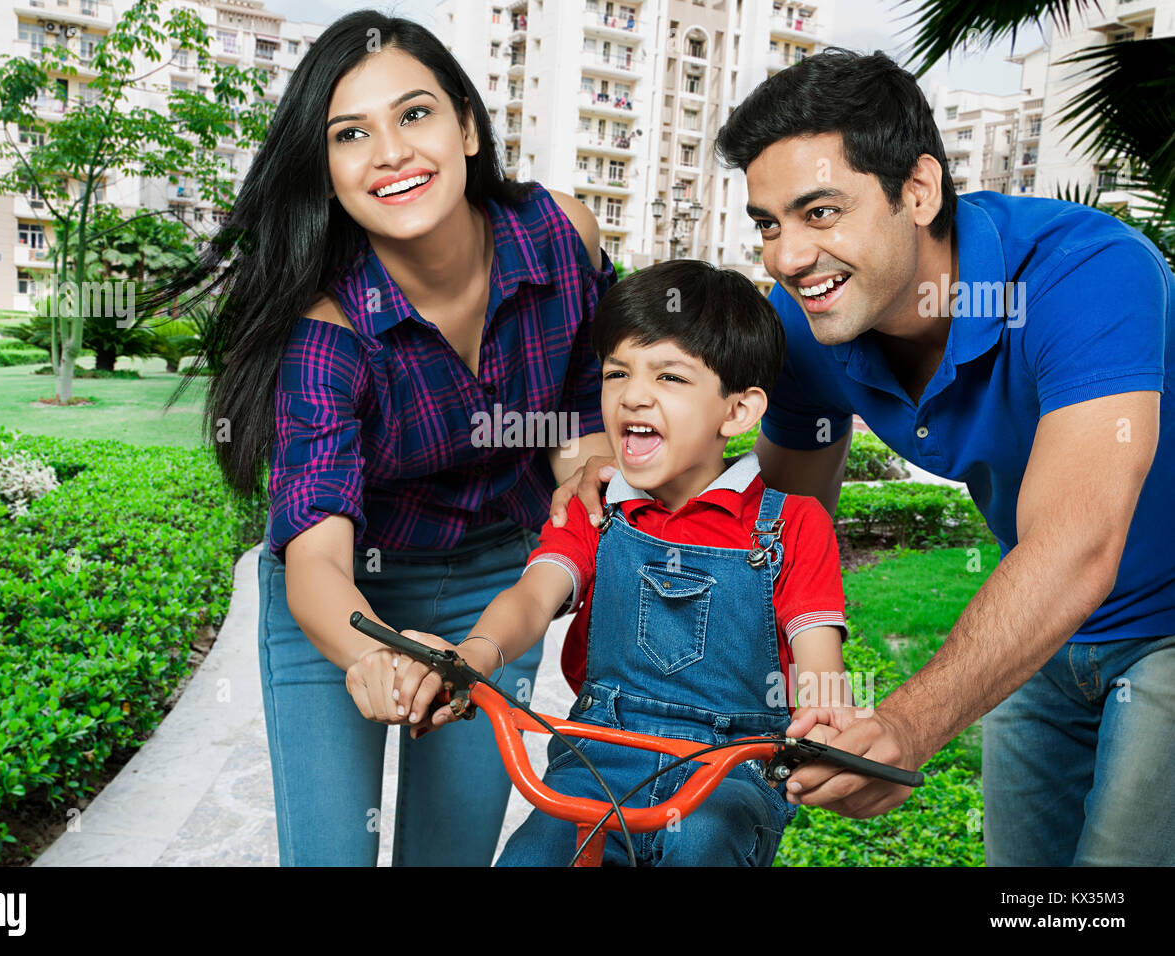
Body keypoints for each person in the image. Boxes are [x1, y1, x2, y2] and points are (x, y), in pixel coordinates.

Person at [558, 48, 1174, 865]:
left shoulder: (1083, 273)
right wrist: (623, 458)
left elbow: (1079, 541)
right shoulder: (811, 323)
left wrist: (906, 723)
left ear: (917, 191)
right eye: (769, 224)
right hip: (1042, 633)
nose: (786, 257)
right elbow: (758, 543)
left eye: (820, 213)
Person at [147, 12, 616, 866]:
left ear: (467, 126)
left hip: (493, 581)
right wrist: (373, 656)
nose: (390, 152)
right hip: (346, 595)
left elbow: (584, 409)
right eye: (350, 134)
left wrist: (588, 474)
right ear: (326, 174)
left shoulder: (561, 235)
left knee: (451, 855)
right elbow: (317, 557)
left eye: (414, 114)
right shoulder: (324, 331)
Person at [395, 259, 854, 866]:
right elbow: (533, 596)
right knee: (533, 854)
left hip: (731, 771)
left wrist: (823, 716)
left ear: (738, 412)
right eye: (617, 373)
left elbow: (818, 654)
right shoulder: (597, 510)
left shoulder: (791, 525)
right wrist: (473, 657)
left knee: (700, 845)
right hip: (598, 755)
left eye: (669, 376)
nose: (634, 395)